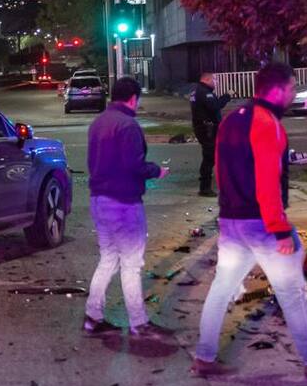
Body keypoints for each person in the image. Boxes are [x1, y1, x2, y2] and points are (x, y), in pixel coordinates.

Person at [193, 62, 307, 380]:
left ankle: (204, 356)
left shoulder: (232, 120)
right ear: (278, 89)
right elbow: (267, 181)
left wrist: (226, 213)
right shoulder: (268, 123)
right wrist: (280, 229)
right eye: (291, 88)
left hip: (232, 221)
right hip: (261, 224)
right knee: (292, 292)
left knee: (221, 288)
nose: (293, 94)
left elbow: (220, 171)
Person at [83, 76, 171, 337]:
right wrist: (157, 171)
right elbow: (134, 165)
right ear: (133, 98)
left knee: (108, 258)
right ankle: (138, 322)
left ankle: (92, 316)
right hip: (123, 203)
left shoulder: (98, 123)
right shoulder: (128, 125)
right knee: (131, 264)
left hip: (99, 200)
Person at [191, 72, 231, 197]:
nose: (216, 82)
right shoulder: (204, 92)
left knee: (212, 156)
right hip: (207, 129)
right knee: (209, 157)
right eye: (214, 79)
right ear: (207, 79)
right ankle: (205, 188)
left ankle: (208, 185)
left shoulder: (197, 91)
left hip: (204, 128)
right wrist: (227, 96)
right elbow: (215, 106)